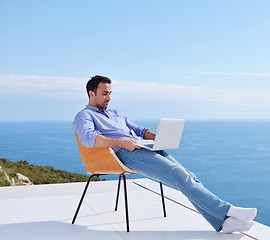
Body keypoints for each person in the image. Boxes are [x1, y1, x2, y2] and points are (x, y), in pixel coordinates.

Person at [72, 75, 257, 233]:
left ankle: (222, 223)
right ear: (91, 93)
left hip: (141, 147)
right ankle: (228, 210)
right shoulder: (84, 116)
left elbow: (139, 129)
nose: (109, 98)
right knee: (179, 176)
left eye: (110, 93)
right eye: (105, 93)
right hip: (125, 154)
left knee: (186, 176)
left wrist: (156, 137)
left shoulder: (115, 113)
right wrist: (122, 143)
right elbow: (88, 138)